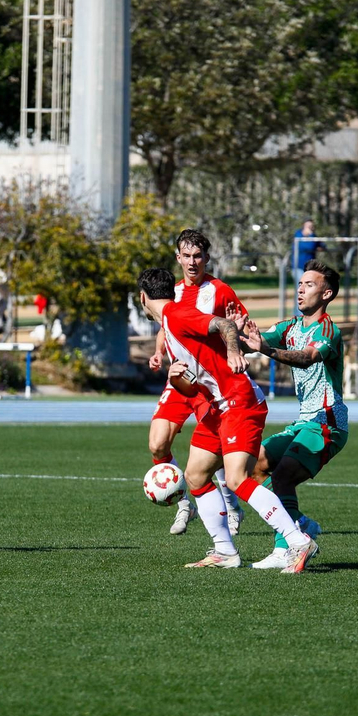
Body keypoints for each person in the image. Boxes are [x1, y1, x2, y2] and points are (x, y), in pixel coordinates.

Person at [136, 267, 318, 573]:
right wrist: (177, 378)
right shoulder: (170, 323)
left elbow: (222, 325)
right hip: (217, 407)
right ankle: (224, 551)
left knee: (236, 479)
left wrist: (234, 352)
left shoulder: (177, 315)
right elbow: (195, 380)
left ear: (143, 298)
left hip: (238, 402)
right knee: (195, 476)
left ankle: (297, 540)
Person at [231, 262, 342, 569]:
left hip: (327, 422)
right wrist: (234, 331)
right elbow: (254, 342)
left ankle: (285, 547)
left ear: (326, 294)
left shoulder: (328, 331)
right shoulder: (289, 327)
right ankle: (299, 524)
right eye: (300, 284)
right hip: (305, 422)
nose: (301, 289)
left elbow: (307, 359)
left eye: (309, 284)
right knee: (256, 466)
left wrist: (265, 350)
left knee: (281, 478)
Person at [147, 229, 246, 537]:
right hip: (179, 380)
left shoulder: (220, 291)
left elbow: (238, 322)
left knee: (211, 448)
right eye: (186, 256)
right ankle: (183, 504)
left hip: (209, 384)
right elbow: (168, 326)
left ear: (206, 258)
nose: (192, 262)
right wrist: (158, 353)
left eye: (198, 256)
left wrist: (237, 336)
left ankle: (230, 504)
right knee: (157, 443)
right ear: (178, 258)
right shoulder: (171, 292)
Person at [291, 219, 323, 286]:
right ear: (303, 226)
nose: (310, 228)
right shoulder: (298, 235)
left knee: (310, 288)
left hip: (310, 267)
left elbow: (322, 246)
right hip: (298, 266)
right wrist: (311, 235)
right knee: (301, 288)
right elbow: (309, 247)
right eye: (308, 226)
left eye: (311, 226)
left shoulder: (314, 236)